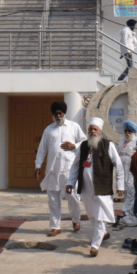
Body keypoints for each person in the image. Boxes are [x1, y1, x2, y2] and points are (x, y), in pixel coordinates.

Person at [67, 117, 124, 257]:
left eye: (95, 129)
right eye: (90, 129)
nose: (92, 132)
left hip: (102, 187)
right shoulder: (83, 146)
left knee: (99, 216)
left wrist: (120, 185)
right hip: (86, 188)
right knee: (91, 214)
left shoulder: (108, 145)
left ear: (100, 131)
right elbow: (75, 165)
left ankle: (95, 245)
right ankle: (103, 233)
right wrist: (70, 182)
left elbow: (119, 166)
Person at [34, 101, 87, 237]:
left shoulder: (74, 127)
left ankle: (75, 220)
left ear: (64, 113)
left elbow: (85, 142)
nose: (58, 116)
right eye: (56, 113)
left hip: (69, 170)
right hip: (52, 170)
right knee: (52, 199)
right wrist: (38, 165)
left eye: (60, 113)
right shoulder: (48, 130)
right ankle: (55, 226)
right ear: (53, 115)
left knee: (73, 196)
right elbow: (42, 150)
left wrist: (73, 146)